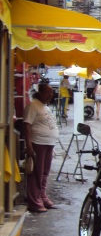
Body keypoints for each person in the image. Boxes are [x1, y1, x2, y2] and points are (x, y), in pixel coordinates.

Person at [23, 83, 59, 213]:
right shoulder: (33, 105)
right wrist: (29, 145)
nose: (51, 94)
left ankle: (42, 197)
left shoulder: (45, 107)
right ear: (40, 93)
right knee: (36, 173)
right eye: (48, 92)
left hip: (48, 143)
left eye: (51, 92)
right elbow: (27, 125)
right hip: (38, 143)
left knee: (44, 173)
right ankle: (34, 201)